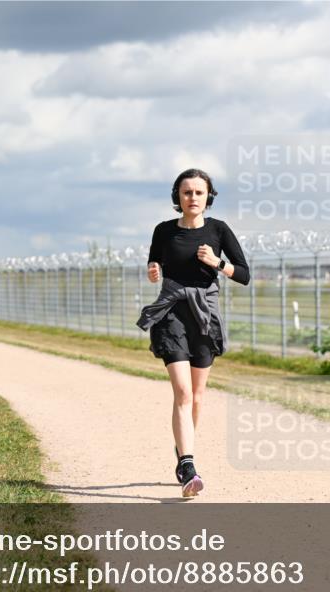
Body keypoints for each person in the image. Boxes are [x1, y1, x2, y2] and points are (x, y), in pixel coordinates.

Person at [136, 168, 250, 498]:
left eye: (199, 192)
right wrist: (153, 271)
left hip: (204, 316)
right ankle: (188, 465)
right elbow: (154, 266)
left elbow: (244, 274)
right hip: (171, 312)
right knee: (183, 392)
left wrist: (218, 262)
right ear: (178, 196)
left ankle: (183, 449)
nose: (193, 198)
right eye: (187, 192)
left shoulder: (218, 230)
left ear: (208, 196)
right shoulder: (163, 231)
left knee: (197, 396)